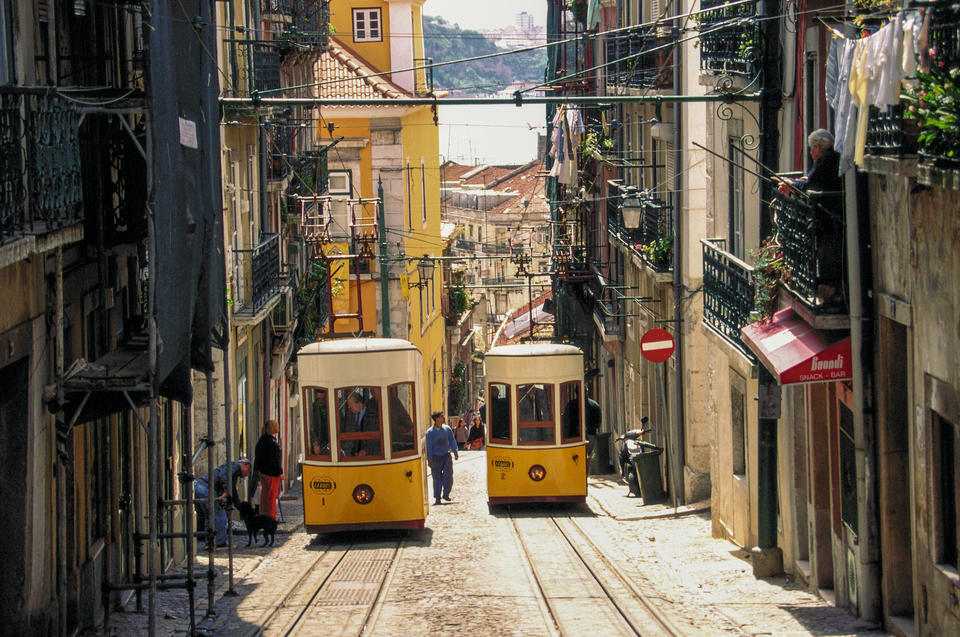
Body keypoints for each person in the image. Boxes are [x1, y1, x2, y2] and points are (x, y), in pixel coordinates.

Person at [777, 128, 844, 307]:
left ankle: (830, 288)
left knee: (828, 254)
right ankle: (829, 285)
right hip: (830, 219)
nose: (811, 152)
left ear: (816, 148)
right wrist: (797, 183)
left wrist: (792, 185)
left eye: (811, 148)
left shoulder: (825, 161)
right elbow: (812, 180)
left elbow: (812, 183)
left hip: (830, 220)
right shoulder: (830, 158)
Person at [194, 459, 251, 548]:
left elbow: (233, 493)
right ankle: (219, 543)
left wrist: (239, 507)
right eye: (248, 471)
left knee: (210, 516)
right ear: (246, 466)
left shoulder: (233, 472)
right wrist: (226, 491)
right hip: (205, 488)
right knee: (219, 514)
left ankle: (210, 542)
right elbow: (224, 476)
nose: (246, 475)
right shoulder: (235, 466)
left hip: (199, 486)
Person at [425, 411, 458, 504]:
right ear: (436, 419)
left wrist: (455, 451)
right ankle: (437, 497)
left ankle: (446, 494)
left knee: (448, 475)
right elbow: (429, 447)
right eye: (441, 416)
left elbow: (452, 441)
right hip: (435, 458)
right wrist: (430, 459)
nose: (443, 418)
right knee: (437, 478)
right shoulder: (430, 432)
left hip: (446, 456)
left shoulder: (447, 429)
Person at [254, 420, 283, 520]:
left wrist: (258, 470)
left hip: (263, 472)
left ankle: (264, 515)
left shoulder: (261, 440)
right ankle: (271, 517)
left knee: (265, 495)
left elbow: (257, 456)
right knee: (272, 496)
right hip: (272, 474)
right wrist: (280, 473)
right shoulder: (272, 443)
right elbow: (275, 460)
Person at [342, 390, 381, 457]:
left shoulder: (373, 415)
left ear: (359, 403)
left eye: (350, 405)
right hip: (351, 456)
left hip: (369, 456)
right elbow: (346, 436)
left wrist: (365, 451)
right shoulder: (349, 415)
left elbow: (375, 438)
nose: (349, 407)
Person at [585, 393, 602, 459]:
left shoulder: (571, 404)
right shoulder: (594, 404)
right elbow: (598, 423)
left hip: (575, 437)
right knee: (588, 457)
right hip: (591, 435)